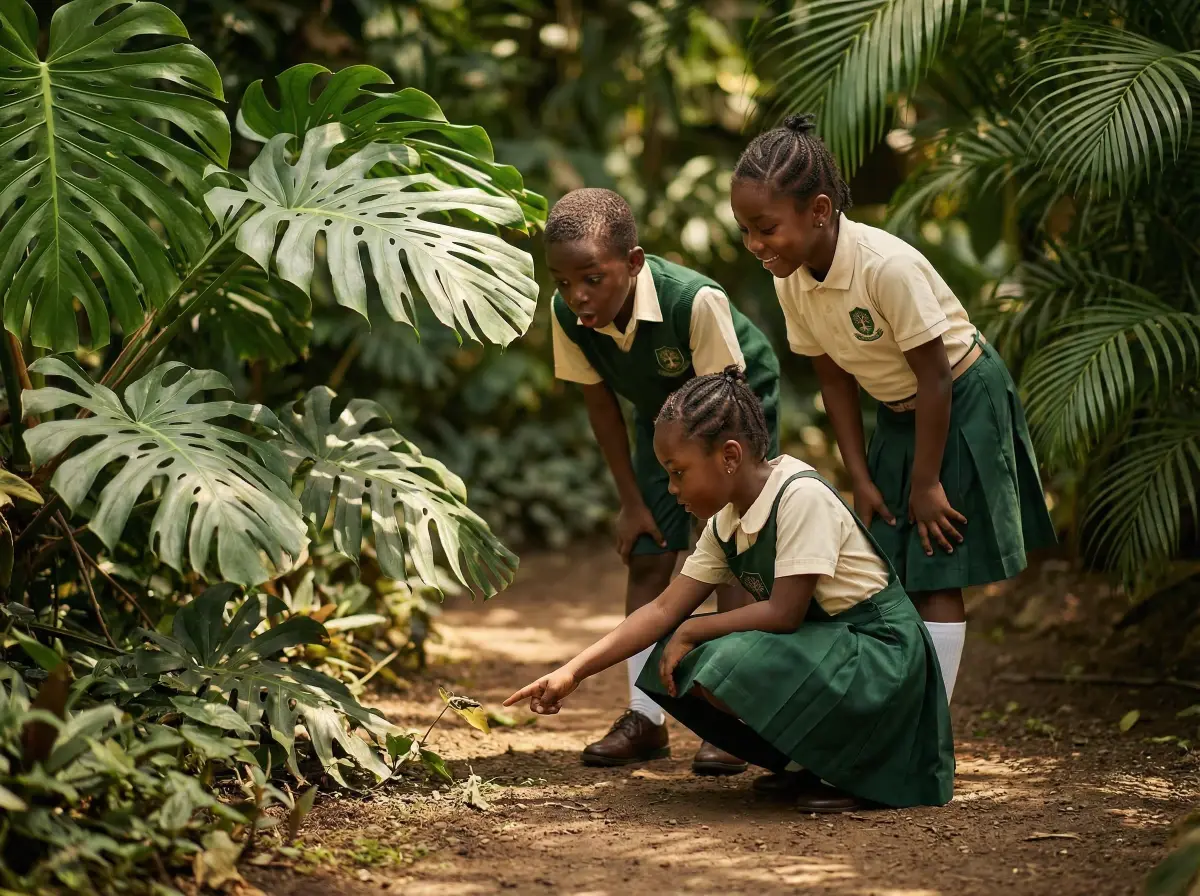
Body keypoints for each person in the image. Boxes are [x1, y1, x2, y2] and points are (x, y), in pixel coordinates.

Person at [506, 368, 954, 811]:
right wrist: (573, 672)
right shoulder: (727, 522)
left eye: (679, 472)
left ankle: (862, 770)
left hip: (883, 657)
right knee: (688, 661)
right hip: (836, 651)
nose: (671, 487)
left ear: (730, 456)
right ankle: (812, 763)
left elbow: (784, 614)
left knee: (721, 657)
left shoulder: (798, 495)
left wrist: (693, 630)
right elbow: (663, 609)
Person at [728, 114, 1057, 702]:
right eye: (745, 231)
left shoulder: (886, 267)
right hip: (899, 409)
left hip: (960, 398)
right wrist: (859, 473)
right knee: (885, 563)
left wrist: (927, 481)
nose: (755, 245)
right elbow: (834, 379)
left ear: (821, 211)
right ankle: (892, 711)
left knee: (936, 562)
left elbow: (935, 379)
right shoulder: (791, 277)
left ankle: (927, 728)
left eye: (766, 228)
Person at [547, 188, 781, 774]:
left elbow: (727, 405)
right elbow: (600, 405)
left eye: (592, 278)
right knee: (649, 553)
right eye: (563, 280)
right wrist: (632, 501)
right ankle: (645, 718)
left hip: (733, 414)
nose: (577, 295)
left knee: (729, 551)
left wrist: (716, 507)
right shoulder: (569, 317)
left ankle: (729, 716)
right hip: (659, 424)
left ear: (633, 263)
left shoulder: (695, 301)